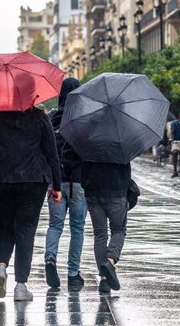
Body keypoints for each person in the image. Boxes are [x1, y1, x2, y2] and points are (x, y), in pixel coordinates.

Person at [0, 103, 62, 302]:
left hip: (1, 180)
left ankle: (1, 267)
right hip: (33, 181)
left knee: (6, 228)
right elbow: (52, 153)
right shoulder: (40, 117)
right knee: (26, 230)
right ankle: (21, 286)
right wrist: (56, 186)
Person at [44, 78, 87, 289]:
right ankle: (73, 273)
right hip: (79, 181)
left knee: (55, 225)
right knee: (77, 227)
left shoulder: (51, 118)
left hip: (56, 181)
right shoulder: (85, 119)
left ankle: (50, 258)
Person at [80, 160, 131, 294]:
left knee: (100, 234)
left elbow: (82, 171)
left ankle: (104, 278)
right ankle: (110, 261)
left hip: (93, 193)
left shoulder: (90, 143)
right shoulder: (122, 145)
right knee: (119, 230)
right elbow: (126, 173)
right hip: (117, 192)